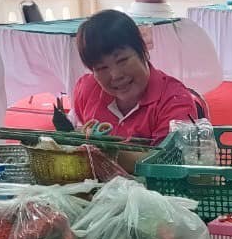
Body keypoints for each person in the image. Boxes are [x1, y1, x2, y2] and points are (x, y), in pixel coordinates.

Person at [69, 9, 197, 145]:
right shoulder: (87, 90)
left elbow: (163, 161)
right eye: (102, 68)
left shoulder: (175, 100)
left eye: (122, 60)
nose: (116, 75)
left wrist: (102, 149)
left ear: (143, 50)